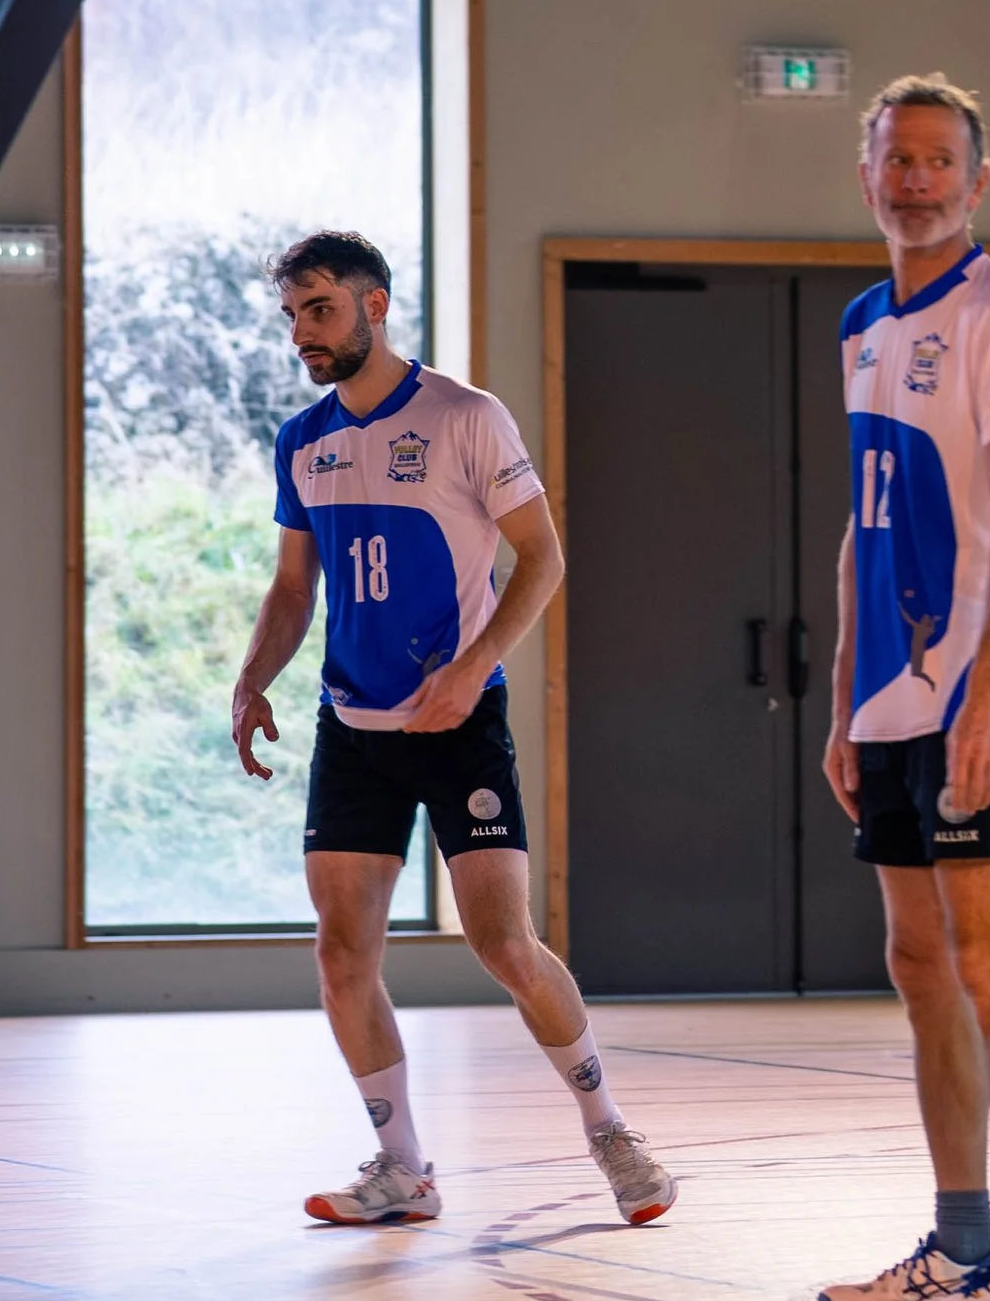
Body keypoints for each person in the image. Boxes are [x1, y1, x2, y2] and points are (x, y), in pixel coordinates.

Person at [230, 231, 676, 1233]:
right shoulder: (302, 439)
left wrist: (471, 670)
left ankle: (609, 1130)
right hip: (353, 726)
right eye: (293, 314)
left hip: (460, 723)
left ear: (375, 305)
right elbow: (295, 585)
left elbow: (542, 560)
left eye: (321, 309)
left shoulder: (466, 419)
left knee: (503, 943)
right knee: (342, 956)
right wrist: (254, 680)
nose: (303, 332)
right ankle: (403, 1168)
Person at [817, 78, 990, 1301]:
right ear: (865, 171)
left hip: (980, 690)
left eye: (939, 161)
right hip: (885, 702)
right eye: (896, 157)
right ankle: (960, 1240)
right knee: (918, 964)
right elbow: (861, 530)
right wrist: (840, 705)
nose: (915, 178)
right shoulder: (862, 326)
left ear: (977, 184)